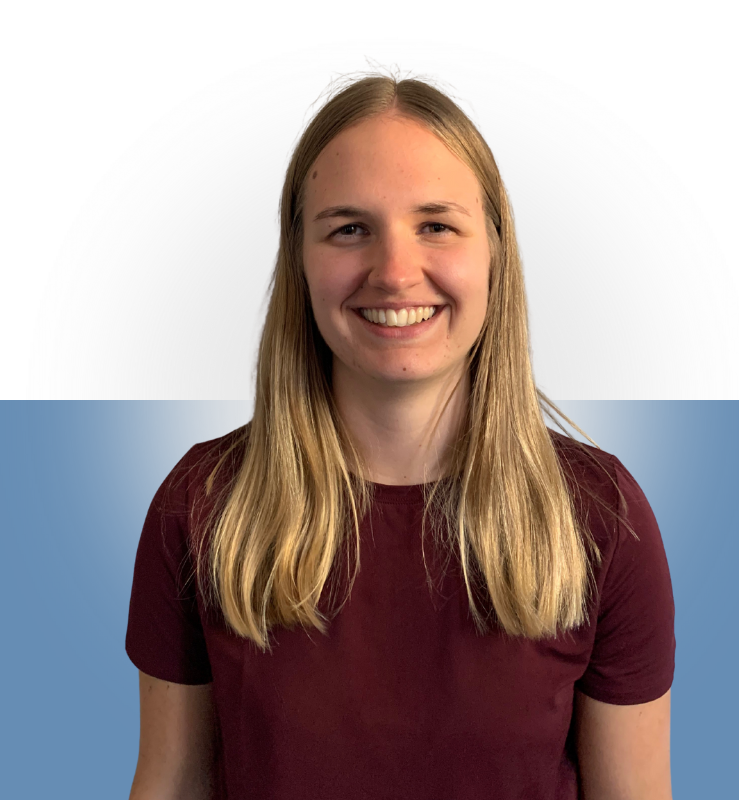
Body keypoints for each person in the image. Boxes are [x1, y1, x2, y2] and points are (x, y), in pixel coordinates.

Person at [126, 57, 675, 800]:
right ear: (299, 262)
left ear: (495, 255)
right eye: (350, 228)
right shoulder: (201, 505)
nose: (395, 270)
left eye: (437, 225)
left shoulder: (602, 516)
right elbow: (170, 784)